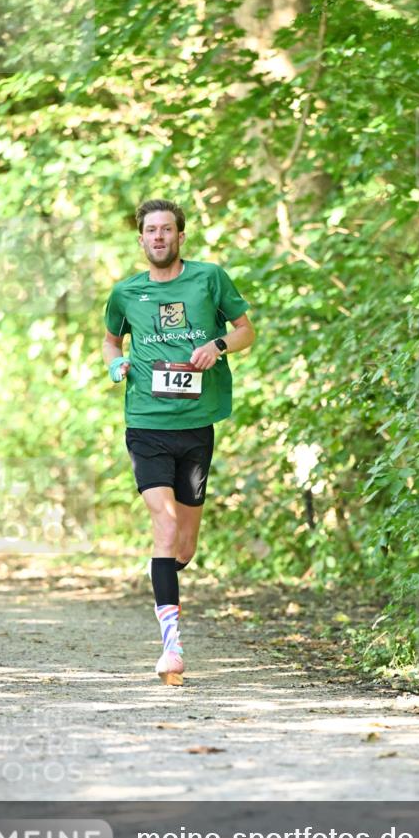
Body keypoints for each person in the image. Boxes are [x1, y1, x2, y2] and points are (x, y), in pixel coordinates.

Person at [102, 199, 255, 685]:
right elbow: (111, 340)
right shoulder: (126, 292)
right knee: (164, 525)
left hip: (195, 426)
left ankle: (167, 570)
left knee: (183, 545)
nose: (159, 237)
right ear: (141, 239)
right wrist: (115, 364)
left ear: (180, 236)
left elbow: (246, 330)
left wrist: (218, 345)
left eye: (167, 229)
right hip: (146, 423)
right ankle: (172, 648)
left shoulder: (209, 278)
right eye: (151, 230)